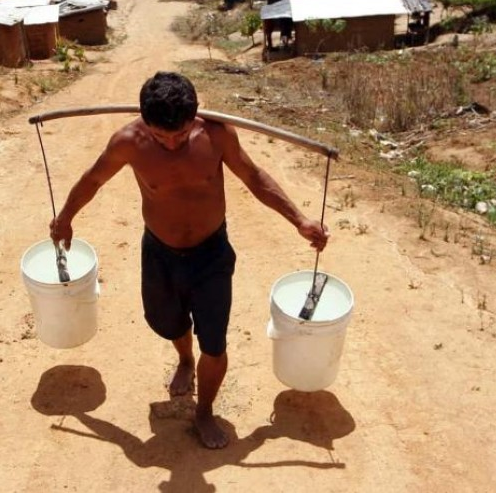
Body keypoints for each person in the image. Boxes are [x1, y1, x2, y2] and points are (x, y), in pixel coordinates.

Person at [49, 71, 329, 449]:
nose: (169, 143)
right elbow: (93, 180)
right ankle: (184, 360)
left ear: (193, 118)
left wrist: (299, 219)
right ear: (145, 122)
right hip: (160, 252)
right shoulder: (128, 142)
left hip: (211, 253)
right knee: (170, 321)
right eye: (160, 136)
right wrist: (65, 217)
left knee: (214, 343)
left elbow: (253, 176)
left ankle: (205, 412)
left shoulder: (216, 135)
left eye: (179, 135)